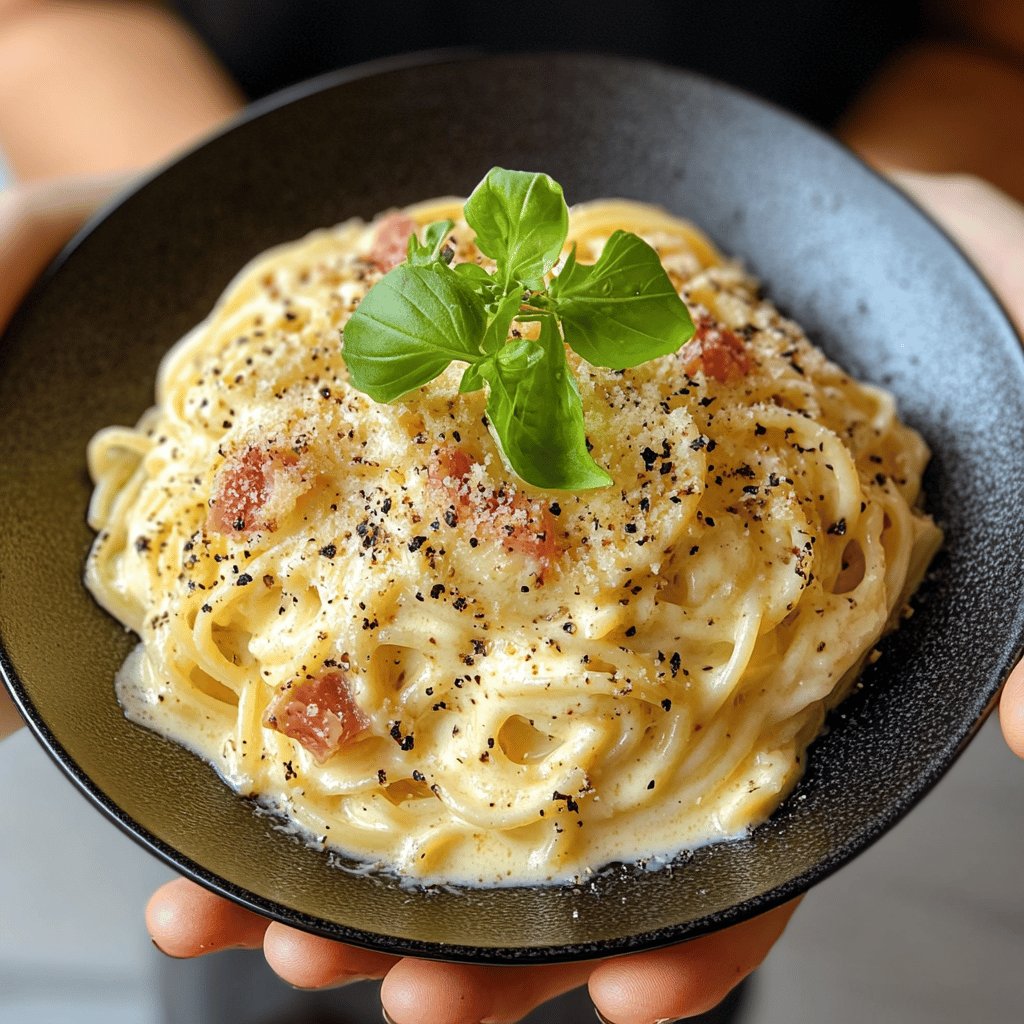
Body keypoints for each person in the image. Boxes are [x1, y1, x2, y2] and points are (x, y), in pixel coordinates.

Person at [0, 3, 1022, 1022]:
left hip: (719, 349)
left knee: (654, 992)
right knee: (255, 977)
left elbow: (991, 44)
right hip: (298, 250)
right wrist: (191, 190)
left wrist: (872, 210)